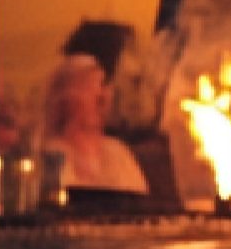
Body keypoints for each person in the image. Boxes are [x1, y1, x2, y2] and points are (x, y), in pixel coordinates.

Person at [42, 53, 151, 196]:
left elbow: (139, 202)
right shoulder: (52, 156)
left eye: (102, 85)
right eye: (87, 86)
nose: (101, 96)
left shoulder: (119, 154)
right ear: (65, 99)